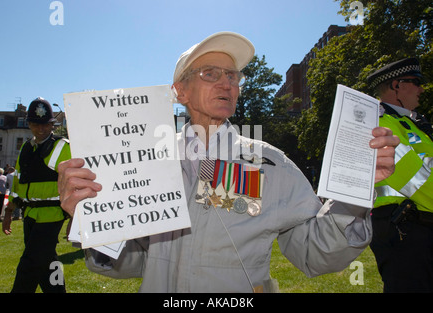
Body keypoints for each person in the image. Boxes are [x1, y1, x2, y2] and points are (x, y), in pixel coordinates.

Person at [58, 31, 399, 293]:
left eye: (233, 75)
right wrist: (92, 215)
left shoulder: (269, 163)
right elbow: (127, 263)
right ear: (180, 91)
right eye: (210, 73)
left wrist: (353, 193)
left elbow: (313, 253)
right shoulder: (147, 163)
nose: (226, 82)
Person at [367, 57, 433, 293]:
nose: (421, 88)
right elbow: (418, 181)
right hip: (406, 232)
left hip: (415, 228)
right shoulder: (381, 123)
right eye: (416, 82)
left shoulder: (411, 124)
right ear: (397, 85)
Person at [2, 97, 71, 293]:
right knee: (47, 262)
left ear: (52, 125)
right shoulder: (26, 148)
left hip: (52, 215)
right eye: (35, 124)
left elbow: (74, 184)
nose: (41, 129)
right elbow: (17, 182)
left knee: (29, 264)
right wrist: (9, 211)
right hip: (29, 215)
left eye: (45, 125)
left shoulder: (64, 147)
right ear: (29, 124)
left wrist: (76, 219)